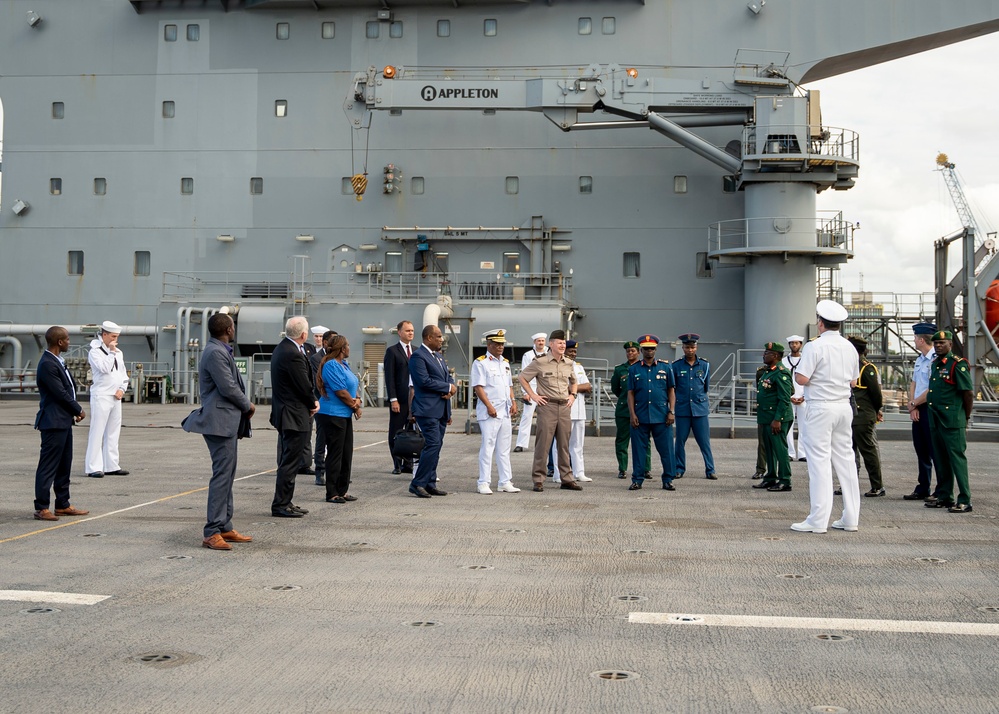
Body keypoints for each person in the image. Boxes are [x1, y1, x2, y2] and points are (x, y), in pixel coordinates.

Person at [181, 313, 256, 550]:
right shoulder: (215, 352)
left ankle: (224, 525)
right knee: (222, 475)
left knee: (228, 474)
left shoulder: (220, 349)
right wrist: (248, 405)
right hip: (219, 422)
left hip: (226, 422)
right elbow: (228, 387)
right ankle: (212, 531)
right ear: (229, 330)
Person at [790, 300, 861, 534]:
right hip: (843, 406)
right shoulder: (849, 347)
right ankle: (851, 518)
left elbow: (800, 378)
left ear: (820, 323)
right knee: (846, 461)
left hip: (820, 407)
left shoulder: (814, 346)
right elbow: (853, 381)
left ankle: (818, 520)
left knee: (819, 462)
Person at [32, 326, 89, 522]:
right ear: (59, 342)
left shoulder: (57, 360)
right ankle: (41, 507)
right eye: (67, 339)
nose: (69, 342)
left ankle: (63, 505)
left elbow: (67, 389)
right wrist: (78, 409)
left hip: (63, 421)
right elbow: (60, 393)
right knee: (48, 467)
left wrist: (73, 412)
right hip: (53, 422)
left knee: (64, 465)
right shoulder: (48, 364)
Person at [518, 329, 581, 492]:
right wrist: (533, 395)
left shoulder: (568, 362)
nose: (562, 345)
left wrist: (573, 395)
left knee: (564, 444)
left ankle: (566, 479)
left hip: (564, 406)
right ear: (550, 344)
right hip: (548, 406)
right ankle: (538, 479)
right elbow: (522, 377)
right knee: (543, 444)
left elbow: (574, 381)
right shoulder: (540, 361)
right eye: (559, 343)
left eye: (563, 343)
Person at [269, 316, 318, 518]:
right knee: (290, 462)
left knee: (290, 460)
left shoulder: (284, 349)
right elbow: (303, 385)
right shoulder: (292, 354)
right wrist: (313, 402)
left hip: (288, 412)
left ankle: (285, 501)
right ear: (304, 334)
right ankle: (280, 504)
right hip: (293, 414)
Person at [924, 330, 975, 513]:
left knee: (957, 459)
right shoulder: (936, 364)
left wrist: (965, 417)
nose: (938, 346)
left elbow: (968, 393)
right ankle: (945, 496)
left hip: (952, 420)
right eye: (936, 343)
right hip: (936, 419)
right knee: (940, 458)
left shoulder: (957, 365)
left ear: (950, 345)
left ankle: (965, 499)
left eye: (942, 343)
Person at [408, 324, 456, 498]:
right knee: (432, 444)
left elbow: (447, 376)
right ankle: (417, 483)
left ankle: (430, 482)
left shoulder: (438, 357)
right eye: (438, 336)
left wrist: (451, 387)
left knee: (437, 446)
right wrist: (447, 387)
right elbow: (424, 381)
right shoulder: (418, 357)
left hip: (441, 409)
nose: (441, 339)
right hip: (426, 409)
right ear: (429, 338)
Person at [471, 329, 521, 494]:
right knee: (488, 446)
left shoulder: (505, 363)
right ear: (489, 344)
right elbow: (478, 387)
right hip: (490, 411)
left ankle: (504, 481)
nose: (501, 347)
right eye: (497, 344)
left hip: (505, 410)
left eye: (502, 344)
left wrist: (513, 401)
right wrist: (489, 406)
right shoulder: (481, 362)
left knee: (504, 448)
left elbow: (509, 386)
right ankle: (483, 482)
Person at [626, 334, 677, 491]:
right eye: (646, 349)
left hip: (662, 416)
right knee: (638, 450)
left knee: (666, 450)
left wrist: (671, 411)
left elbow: (671, 391)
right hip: (640, 416)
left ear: (656, 350)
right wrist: (632, 414)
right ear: (641, 350)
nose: (649, 351)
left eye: (652, 349)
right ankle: (637, 479)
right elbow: (630, 393)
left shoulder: (665, 367)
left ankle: (668, 479)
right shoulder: (634, 369)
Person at [316, 334, 362, 504]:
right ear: (342, 349)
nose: (350, 348)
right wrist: (355, 406)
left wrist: (357, 400)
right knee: (335, 454)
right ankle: (332, 492)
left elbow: (351, 387)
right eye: (348, 345)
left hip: (344, 414)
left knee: (346, 453)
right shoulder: (331, 366)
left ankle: (342, 490)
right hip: (332, 414)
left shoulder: (344, 365)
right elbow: (340, 391)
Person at [85, 320, 131, 478]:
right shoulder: (95, 352)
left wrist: (122, 388)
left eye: (117, 337)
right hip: (101, 395)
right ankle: (93, 467)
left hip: (115, 396)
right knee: (97, 431)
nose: (115, 340)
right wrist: (111, 352)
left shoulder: (119, 353)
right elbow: (104, 368)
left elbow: (123, 374)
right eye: (112, 336)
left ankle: (111, 465)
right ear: (104, 335)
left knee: (113, 431)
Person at [904, 322, 942, 502]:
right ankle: (923, 487)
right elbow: (914, 383)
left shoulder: (936, 359)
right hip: (918, 407)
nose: (914, 340)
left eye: (915, 338)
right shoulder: (920, 359)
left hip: (930, 408)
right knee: (921, 449)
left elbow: (932, 388)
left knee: (935, 450)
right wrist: (913, 405)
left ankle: (941, 489)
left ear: (921, 339)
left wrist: (914, 403)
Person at [672, 333, 716, 479]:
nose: (690, 350)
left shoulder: (705, 365)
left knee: (704, 442)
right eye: (687, 347)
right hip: (683, 409)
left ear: (696, 347)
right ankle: (679, 469)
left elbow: (706, 386)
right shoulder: (676, 366)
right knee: (679, 441)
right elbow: (674, 388)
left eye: (692, 347)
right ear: (683, 348)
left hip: (700, 409)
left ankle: (710, 470)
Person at [752, 342, 794, 492]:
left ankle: (785, 480)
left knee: (779, 449)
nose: (764, 355)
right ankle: (770, 477)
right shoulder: (768, 371)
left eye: (767, 353)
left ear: (775, 356)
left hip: (777, 418)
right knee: (768, 448)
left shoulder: (781, 372)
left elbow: (785, 397)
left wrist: (778, 419)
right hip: (766, 417)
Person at [848, 336, 885, 497]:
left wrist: (877, 410)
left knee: (868, 451)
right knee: (848, 453)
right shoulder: (848, 366)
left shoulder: (866, 368)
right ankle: (849, 484)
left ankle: (877, 485)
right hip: (848, 415)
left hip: (862, 415)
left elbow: (876, 394)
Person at [550, 340, 592, 483]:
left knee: (578, 444)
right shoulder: (558, 366)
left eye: (574, 351)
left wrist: (575, 387)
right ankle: (558, 474)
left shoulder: (578, 367)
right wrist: (578, 387)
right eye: (570, 351)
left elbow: (588, 387)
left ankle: (579, 472)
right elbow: (561, 387)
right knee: (560, 445)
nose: (573, 354)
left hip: (579, 411)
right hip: (565, 410)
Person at [611, 341, 648, 479]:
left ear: (639, 352)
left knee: (644, 441)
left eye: (633, 351)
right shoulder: (620, 369)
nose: (630, 353)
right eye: (628, 351)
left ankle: (646, 469)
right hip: (624, 411)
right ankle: (622, 468)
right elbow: (616, 388)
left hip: (642, 409)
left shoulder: (644, 367)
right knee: (622, 440)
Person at [384, 319, 415, 474]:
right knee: (396, 432)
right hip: (400, 400)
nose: (411, 333)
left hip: (414, 400)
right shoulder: (392, 351)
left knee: (411, 433)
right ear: (400, 332)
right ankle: (397, 463)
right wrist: (393, 399)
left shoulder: (416, 351)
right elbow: (390, 377)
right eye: (408, 330)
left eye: (412, 331)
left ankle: (408, 463)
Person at [308, 328, 334, 486]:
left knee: (335, 440)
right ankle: (320, 471)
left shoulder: (338, 358)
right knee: (322, 438)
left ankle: (334, 471)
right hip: (323, 402)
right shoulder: (316, 359)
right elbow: (318, 382)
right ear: (325, 342)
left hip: (337, 403)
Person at [513, 332, 547, 452]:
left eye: (543, 340)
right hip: (531, 390)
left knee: (547, 418)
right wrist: (525, 392)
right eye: (539, 341)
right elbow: (524, 375)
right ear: (534, 342)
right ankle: (521, 444)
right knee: (527, 417)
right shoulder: (528, 355)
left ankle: (546, 444)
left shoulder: (550, 353)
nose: (541, 343)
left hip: (546, 390)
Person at [783, 335, 807, 461]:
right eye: (792, 343)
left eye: (796, 343)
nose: (794, 346)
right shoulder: (784, 361)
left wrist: (804, 396)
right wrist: (790, 396)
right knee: (788, 426)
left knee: (804, 426)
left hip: (804, 397)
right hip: (789, 397)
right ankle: (790, 453)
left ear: (800, 344)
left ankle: (803, 453)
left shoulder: (806, 359)